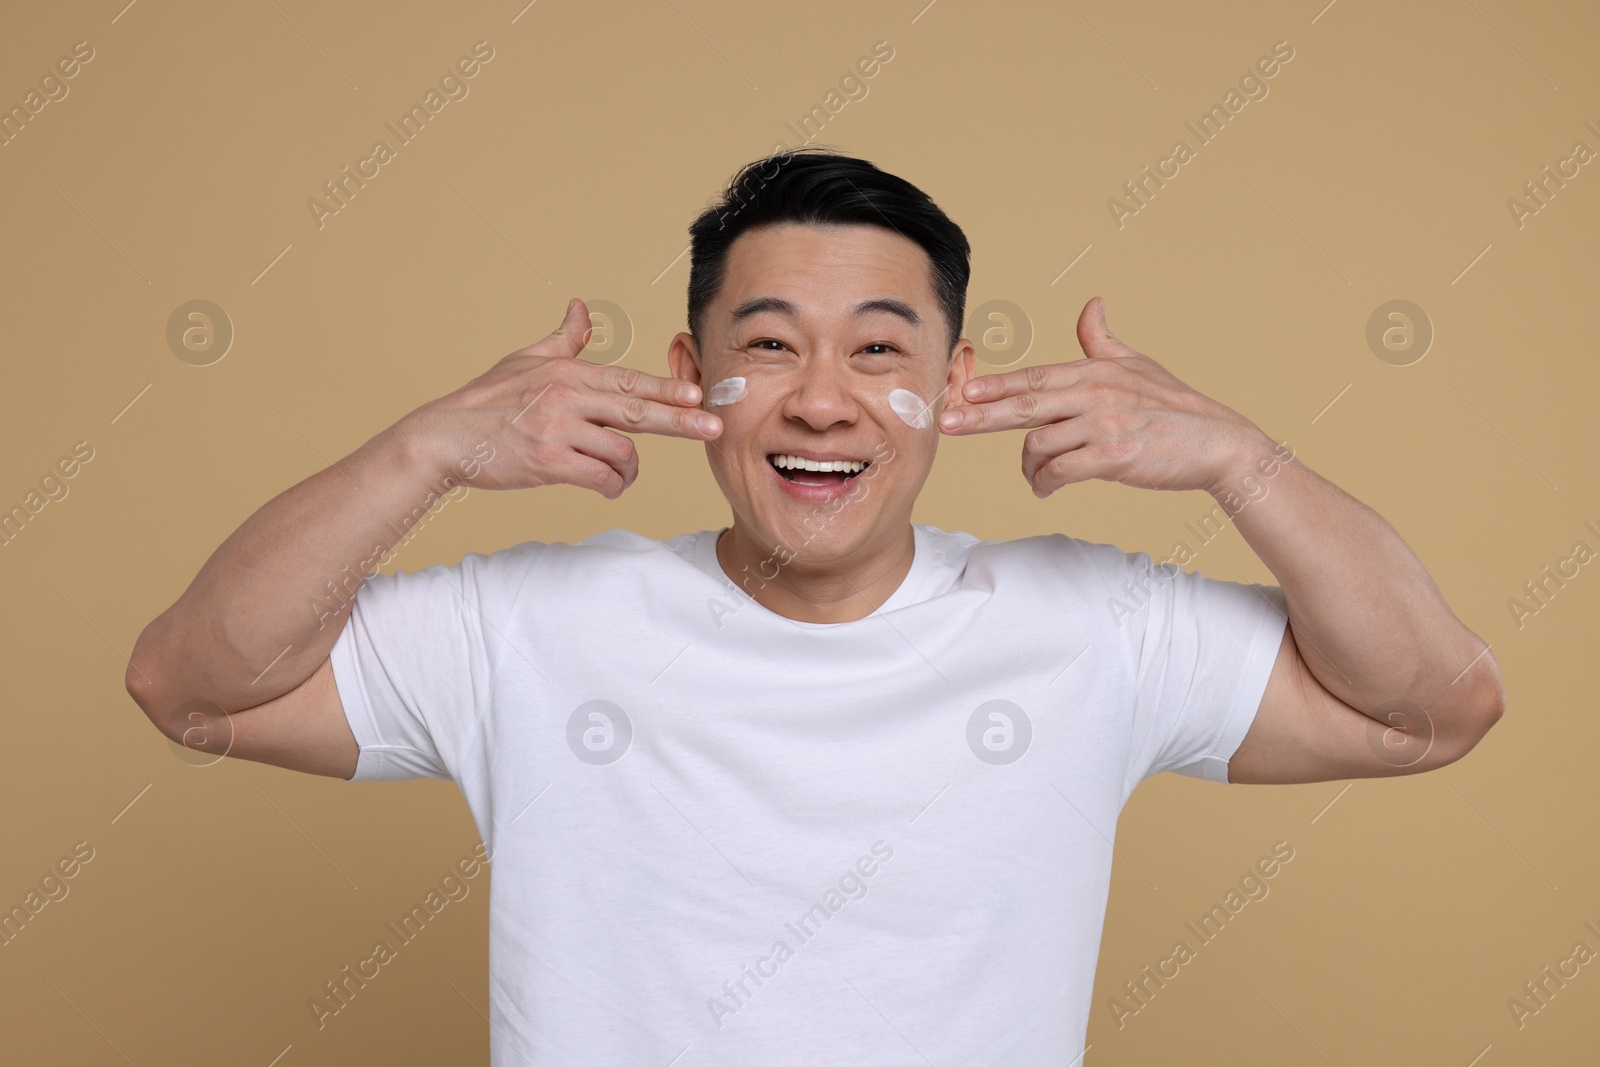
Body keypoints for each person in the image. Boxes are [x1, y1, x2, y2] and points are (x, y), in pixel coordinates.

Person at [126, 147, 1505, 1064]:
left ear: (957, 384)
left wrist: (1233, 457)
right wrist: (421, 451)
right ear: (689, 374)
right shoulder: (533, 626)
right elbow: (191, 683)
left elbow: (1431, 710)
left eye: (880, 350)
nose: (824, 400)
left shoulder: (1093, 625)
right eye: (769, 344)